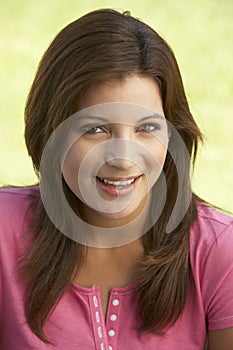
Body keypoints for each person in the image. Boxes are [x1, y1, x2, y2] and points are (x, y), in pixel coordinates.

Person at [0, 8, 232, 350]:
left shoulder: (218, 252)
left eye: (146, 128)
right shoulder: (5, 233)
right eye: (95, 129)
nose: (122, 159)